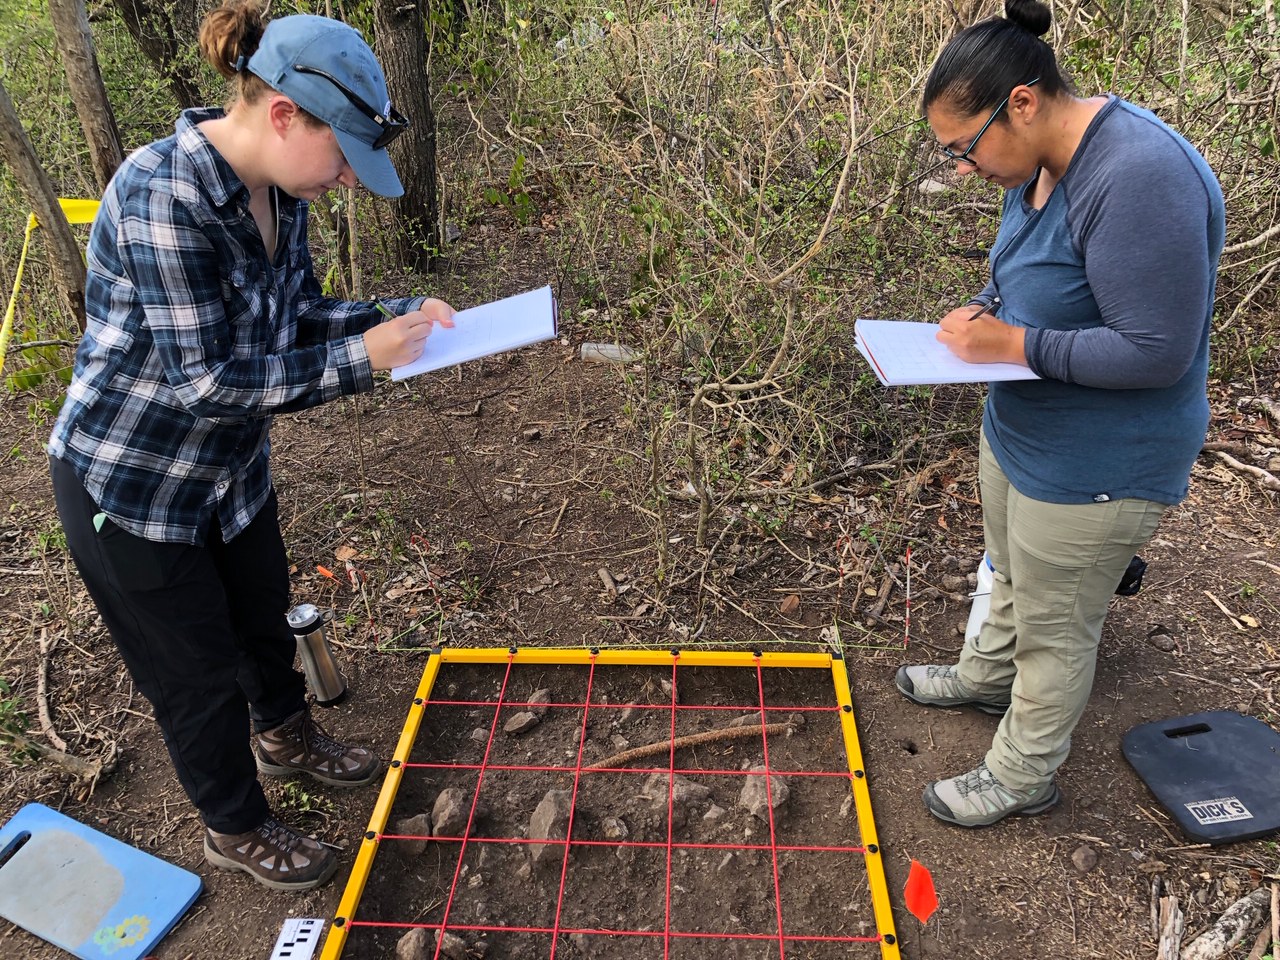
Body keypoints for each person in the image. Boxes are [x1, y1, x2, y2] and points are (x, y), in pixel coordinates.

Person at [47, 0, 455, 889]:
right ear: (281, 114)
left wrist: (392, 323)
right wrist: (361, 362)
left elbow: (295, 315)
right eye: (343, 154)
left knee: (262, 619)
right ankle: (233, 824)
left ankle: (287, 735)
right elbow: (207, 380)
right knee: (191, 676)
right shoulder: (161, 192)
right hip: (134, 488)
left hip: (230, 473)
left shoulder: (280, 190)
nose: (347, 178)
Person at [895, 0, 1225, 827]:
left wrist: (1013, 348)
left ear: (1023, 103)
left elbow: (1158, 351)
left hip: (1100, 465)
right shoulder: (1040, 161)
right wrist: (980, 315)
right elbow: (1022, 274)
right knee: (1011, 573)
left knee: (1057, 627)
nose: (965, 169)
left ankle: (1022, 774)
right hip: (1027, 433)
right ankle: (984, 676)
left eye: (964, 150)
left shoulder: (1138, 175)